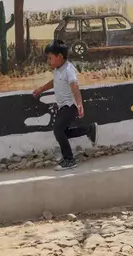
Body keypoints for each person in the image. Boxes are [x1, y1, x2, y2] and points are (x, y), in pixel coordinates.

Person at [33, 40, 96, 170]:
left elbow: (75, 86)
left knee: (58, 130)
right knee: (63, 132)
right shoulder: (58, 70)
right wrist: (41, 89)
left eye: (50, 58)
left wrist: (79, 104)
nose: (48, 61)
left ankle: (69, 159)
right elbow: (54, 82)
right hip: (63, 106)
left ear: (59, 56)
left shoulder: (68, 69)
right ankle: (89, 129)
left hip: (70, 106)